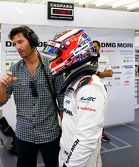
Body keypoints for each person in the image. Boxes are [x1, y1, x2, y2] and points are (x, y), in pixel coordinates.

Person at [0, 26, 64, 167]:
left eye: (20, 42)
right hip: (24, 134)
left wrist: (68, 131)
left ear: (32, 40)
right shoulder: (13, 70)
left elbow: (62, 100)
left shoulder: (51, 66)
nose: (17, 47)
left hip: (50, 133)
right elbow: (0, 101)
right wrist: (2, 86)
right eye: (15, 44)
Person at [42, 29, 107, 167]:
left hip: (81, 161)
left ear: (73, 52)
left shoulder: (89, 86)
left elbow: (86, 138)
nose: (53, 59)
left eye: (57, 54)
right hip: (67, 152)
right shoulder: (76, 80)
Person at [93, 40, 113, 143]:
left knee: (101, 112)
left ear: (100, 47)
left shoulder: (105, 59)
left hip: (101, 88)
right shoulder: (87, 59)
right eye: (92, 47)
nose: (94, 48)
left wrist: (97, 73)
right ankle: (92, 133)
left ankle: (101, 132)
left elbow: (110, 73)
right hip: (89, 88)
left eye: (96, 46)